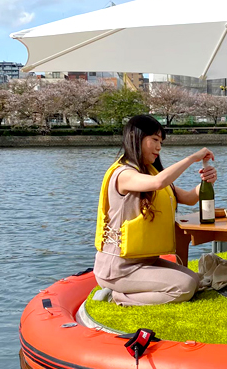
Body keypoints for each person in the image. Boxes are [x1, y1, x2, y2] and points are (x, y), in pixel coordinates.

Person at [93, 115, 217, 306]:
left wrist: (206, 182)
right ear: (136, 137)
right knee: (185, 287)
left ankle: (119, 293)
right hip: (119, 268)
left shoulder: (151, 172)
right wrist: (192, 158)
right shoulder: (123, 174)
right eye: (155, 140)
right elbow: (158, 183)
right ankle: (116, 296)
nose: (159, 147)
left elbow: (190, 199)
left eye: (161, 141)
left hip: (145, 262)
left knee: (195, 281)